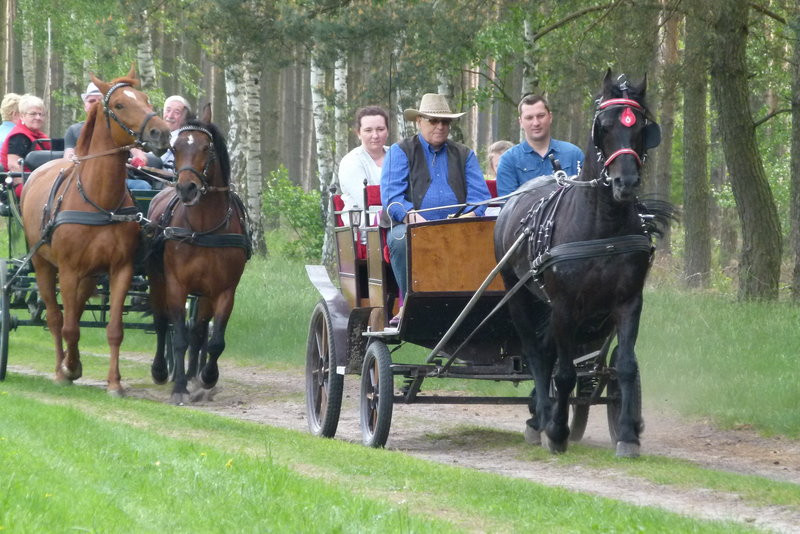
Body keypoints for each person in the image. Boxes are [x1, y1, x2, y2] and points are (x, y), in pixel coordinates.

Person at [381, 93, 490, 325]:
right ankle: (407, 303)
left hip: (459, 228)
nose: (440, 126)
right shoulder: (400, 152)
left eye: (445, 122)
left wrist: (466, 218)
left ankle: (477, 305)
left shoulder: (465, 154)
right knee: (399, 238)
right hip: (414, 227)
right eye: (433, 121)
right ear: (418, 121)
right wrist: (413, 217)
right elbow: (392, 198)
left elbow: (480, 198)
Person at [65, 82, 151, 189]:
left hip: (119, 183)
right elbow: (67, 158)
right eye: (91, 101)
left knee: (143, 187)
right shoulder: (74, 130)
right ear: (85, 106)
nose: (96, 104)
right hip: (84, 183)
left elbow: (139, 154)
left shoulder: (119, 130)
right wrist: (72, 159)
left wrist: (139, 158)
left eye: (99, 101)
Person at [496, 94, 584, 197]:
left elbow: (586, 198)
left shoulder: (574, 154)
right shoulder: (508, 160)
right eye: (529, 118)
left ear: (550, 117)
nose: (536, 123)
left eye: (541, 116)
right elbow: (508, 206)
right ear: (520, 122)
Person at [337, 105, 389, 228]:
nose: (375, 135)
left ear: (387, 131)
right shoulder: (351, 162)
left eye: (380, 129)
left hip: (398, 221)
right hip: (366, 228)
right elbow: (366, 203)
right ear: (358, 133)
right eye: (368, 130)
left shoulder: (396, 155)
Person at [0, 94, 50, 196]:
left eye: (41, 114)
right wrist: (26, 193)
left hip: (42, 181)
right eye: (33, 114)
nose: (38, 117)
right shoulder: (18, 137)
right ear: (22, 116)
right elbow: (15, 169)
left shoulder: (40, 136)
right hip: (22, 187)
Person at [154, 94, 192, 169]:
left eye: (177, 112)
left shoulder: (182, 139)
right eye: (168, 110)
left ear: (185, 118)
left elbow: (157, 160)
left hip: (161, 178)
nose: (170, 116)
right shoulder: (155, 133)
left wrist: (138, 154)